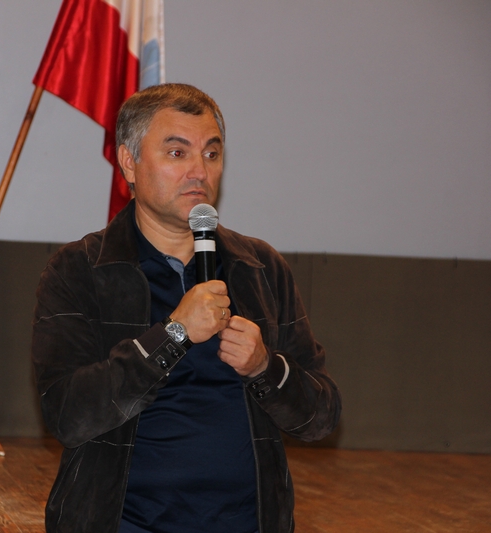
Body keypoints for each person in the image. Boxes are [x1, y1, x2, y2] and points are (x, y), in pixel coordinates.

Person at [31, 83, 341, 533]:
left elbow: (321, 417)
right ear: (129, 162)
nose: (200, 171)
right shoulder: (79, 270)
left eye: (211, 154)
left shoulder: (260, 268)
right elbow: (67, 415)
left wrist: (264, 367)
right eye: (177, 153)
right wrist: (173, 334)